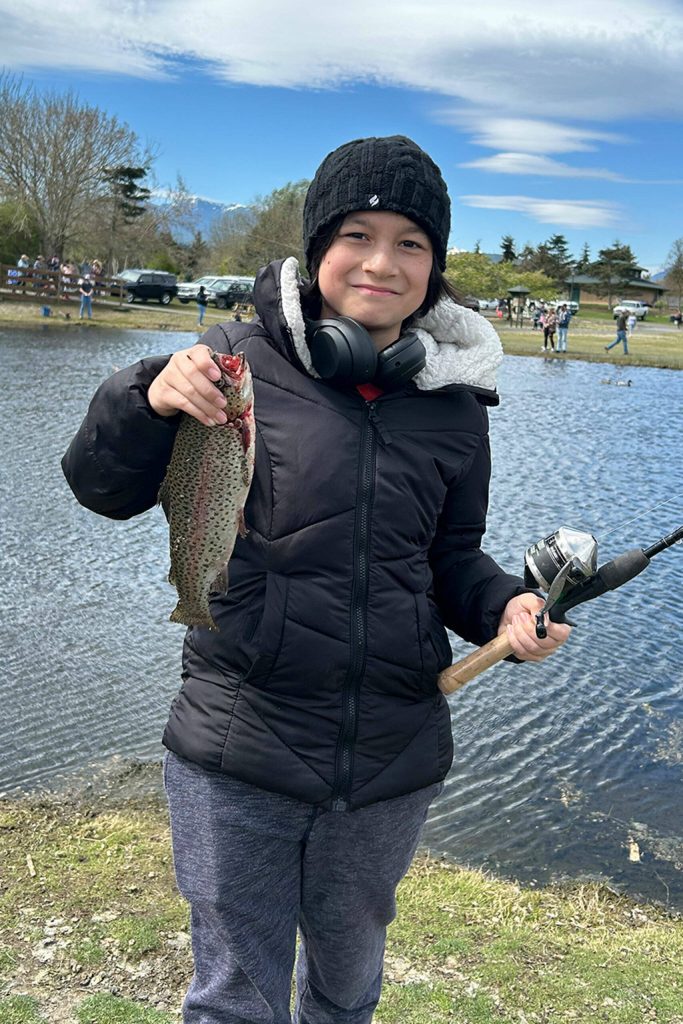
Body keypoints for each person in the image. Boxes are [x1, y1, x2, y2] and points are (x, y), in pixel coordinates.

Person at [61, 135, 570, 1024]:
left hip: (389, 758)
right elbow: (101, 489)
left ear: (436, 267)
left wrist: (506, 605)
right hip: (237, 747)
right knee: (235, 997)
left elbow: (451, 557)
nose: (381, 262)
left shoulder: (455, 404)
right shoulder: (229, 361)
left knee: (345, 991)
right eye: (357, 235)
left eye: (411, 243)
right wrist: (144, 397)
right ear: (315, 249)